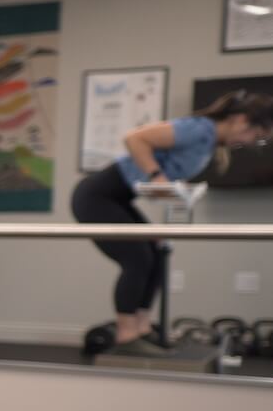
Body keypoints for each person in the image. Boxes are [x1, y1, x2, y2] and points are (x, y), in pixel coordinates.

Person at [71, 90, 273, 354]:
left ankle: (142, 328)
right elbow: (135, 138)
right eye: (256, 137)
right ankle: (126, 335)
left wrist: (176, 193)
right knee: (137, 259)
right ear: (241, 120)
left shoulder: (210, 142)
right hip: (96, 197)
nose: (250, 143)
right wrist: (157, 177)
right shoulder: (199, 129)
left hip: (119, 199)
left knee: (157, 254)